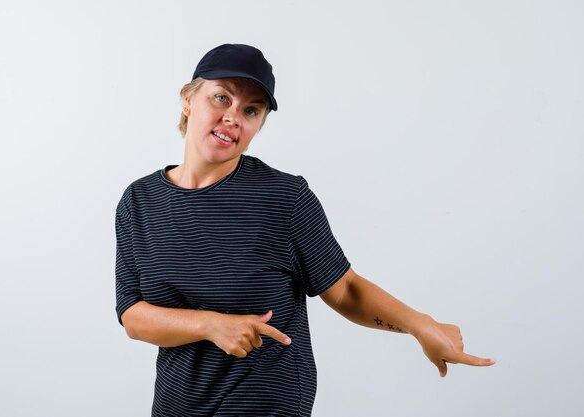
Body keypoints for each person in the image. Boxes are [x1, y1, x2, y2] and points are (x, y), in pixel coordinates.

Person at [114, 43, 495, 417]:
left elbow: (344, 288)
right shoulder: (139, 202)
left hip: (266, 400)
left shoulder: (283, 197)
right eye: (221, 98)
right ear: (187, 99)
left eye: (251, 109)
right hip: (177, 404)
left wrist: (420, 325)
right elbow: (133, 316)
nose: (233, 117)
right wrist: (210, 325)